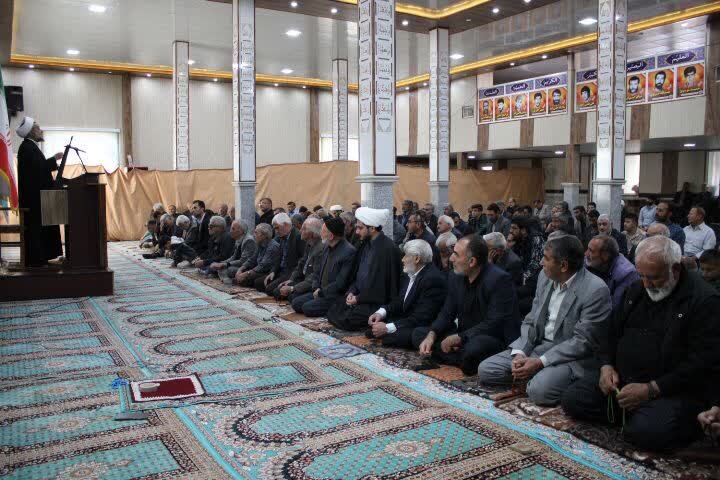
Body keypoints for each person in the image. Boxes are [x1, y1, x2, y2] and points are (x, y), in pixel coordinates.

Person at [561, 236, 720, 451]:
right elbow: (610, 333)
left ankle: (643, 416)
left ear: (675, 269)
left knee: (646, 431)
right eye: (641, 275)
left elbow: (700, 364)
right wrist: (606, 366)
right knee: (573, 399)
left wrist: (651, 389)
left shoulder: (703, 301)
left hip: (669, 390)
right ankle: (634, 412)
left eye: (654, 278)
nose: (647, 284)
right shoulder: (636, 289)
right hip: (624, 381)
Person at [478, 235, 612, 406]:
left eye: (546, 258)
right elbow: (531, 319)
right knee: (486, 370)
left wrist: (540, 362)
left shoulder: (595, 290)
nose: (541, 262)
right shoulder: (545, 276)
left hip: (569, 357)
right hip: (538, 346)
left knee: (539, 391)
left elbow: (582, 342)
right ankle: (531, 377)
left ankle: (535, 380)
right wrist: (520, 352)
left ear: (563, 266)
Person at [413, 236, 520, 375]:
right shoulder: (456, 276)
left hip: (490, 337)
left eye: (456, 254)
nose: (451, 258)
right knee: (419, 334)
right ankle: (458, 358)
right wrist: (432, 335)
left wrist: (460, 338)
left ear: (472, 261)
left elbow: (494, 323)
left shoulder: (499, 280)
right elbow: (447, 312)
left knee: (473, 350)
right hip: (464, 334)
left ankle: (450, 356)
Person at [327, 207, 402, 331]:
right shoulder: (365, 244)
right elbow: (358, 275)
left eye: (360, 228)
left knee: (346, 319)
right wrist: (352, 291)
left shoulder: (386, 249)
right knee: (334, 308)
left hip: (374, 302)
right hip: (360, 297)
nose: (357, 232)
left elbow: (381, 288)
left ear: (372, 228)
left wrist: (358, 299)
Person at [367, 240, 447, 348]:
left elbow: (422, 317)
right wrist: (381, 313)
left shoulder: (433, 279)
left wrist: (387, 328)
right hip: (409, 319)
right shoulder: (412, 272)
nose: (402, 259)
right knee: (374, 326)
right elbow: (400, 301)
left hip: (422, 325)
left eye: (405, 256)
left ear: (417, 258)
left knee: (392, 337)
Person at [15, 116, 64, 266]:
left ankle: (42, 257)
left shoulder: (31, 147)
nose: (40, 130)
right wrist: (53, 160)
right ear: (31, 131)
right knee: (36, 231)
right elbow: (38, 170)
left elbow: (38, 168)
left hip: (38, 197)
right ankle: (37, 260)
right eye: (38, 128)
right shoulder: (27, 148)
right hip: (34, 200)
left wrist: (52, 162)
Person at [292, 217, 356, 317]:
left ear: (331, 236)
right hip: (320, 291)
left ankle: (335, 310)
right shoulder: (327, 246)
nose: (320, 233)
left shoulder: (348, 252)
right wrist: (316, 287)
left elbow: (340, 283)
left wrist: (321, 292)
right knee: (295, 302)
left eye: (323, 231)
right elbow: (318, 272)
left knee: (307, 308)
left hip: (333, 295)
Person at [275, 216, 324, 300]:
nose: (300, 231)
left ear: (311, 233)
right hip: (302, 278)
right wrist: (291, 279)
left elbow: (314, 277)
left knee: (293, 298)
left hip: (310, 283)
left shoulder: (320, 249)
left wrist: (292, 288)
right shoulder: (309, 244)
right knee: (278, 291)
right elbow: (301, 263)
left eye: (304, 229)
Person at [585, 235, 639, 310]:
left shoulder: (627, 274)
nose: (586, 253)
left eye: (591, 251)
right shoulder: (592, 261)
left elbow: (613, 307)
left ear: (605, 256)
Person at [261, 213, 306, 295]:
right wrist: (273, 272)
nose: (276, 231)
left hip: (291, 272)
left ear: (285, 225)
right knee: (259, 283)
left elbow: (302, 260)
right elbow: (279, 257)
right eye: (275, 229)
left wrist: (292, 277)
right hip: (282, 271)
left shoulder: (298, 237)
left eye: (277, 228)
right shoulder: (282, 236)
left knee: (272, 290)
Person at [234, 223, 280, 288]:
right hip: (258, 270)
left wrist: (246, 274)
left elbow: (262, 266)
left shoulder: (272, 246)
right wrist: (241, 269)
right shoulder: (260, 244)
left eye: (256, 233)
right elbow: (252, 260)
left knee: (254, 281)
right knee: (234, 272)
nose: (253, 235)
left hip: (267, 272)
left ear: (264, 235)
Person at [211, 220, 257, 284]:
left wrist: (226, 264)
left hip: (248, 267)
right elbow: (234, 257)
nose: (230, 231)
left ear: (241, 231)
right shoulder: (238, 239)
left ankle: (234, 281)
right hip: (240, 265)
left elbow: (243, 261)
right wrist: (222, 263)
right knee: (217, 266)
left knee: (229, 270)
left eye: (233, 229)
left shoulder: (249, 241)